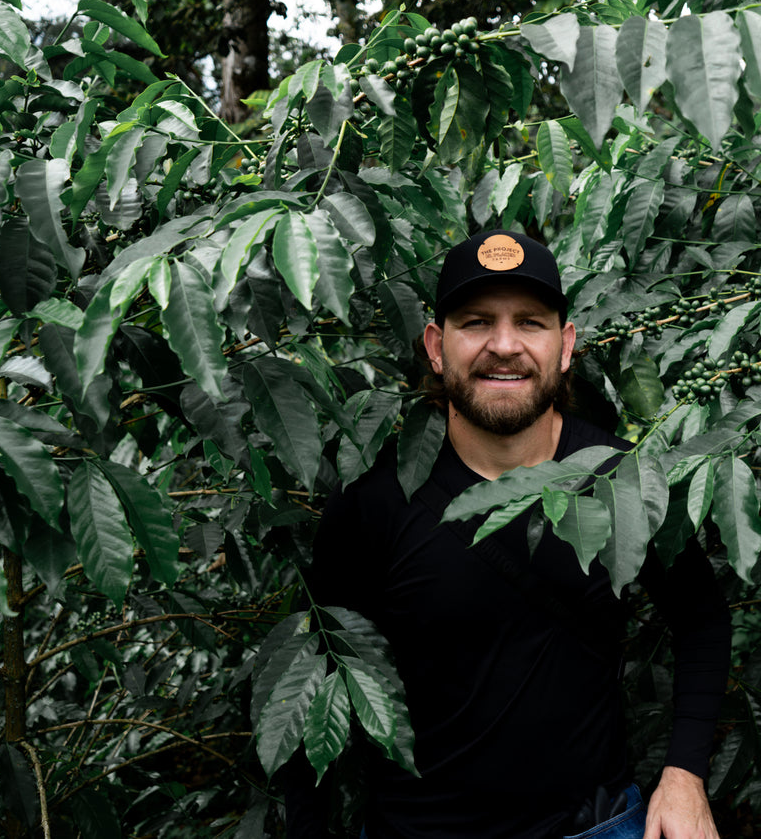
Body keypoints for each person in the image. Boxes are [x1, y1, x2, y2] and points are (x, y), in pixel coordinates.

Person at [290, 230, 731, 839]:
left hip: (596, 828)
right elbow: (313, 678)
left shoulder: (624, 477)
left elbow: (700, 617)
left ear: (565, 345)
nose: (504, 345)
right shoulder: (376, 499)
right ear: (437, 347)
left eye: (530, 322)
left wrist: (685, 775)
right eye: (476, 322)